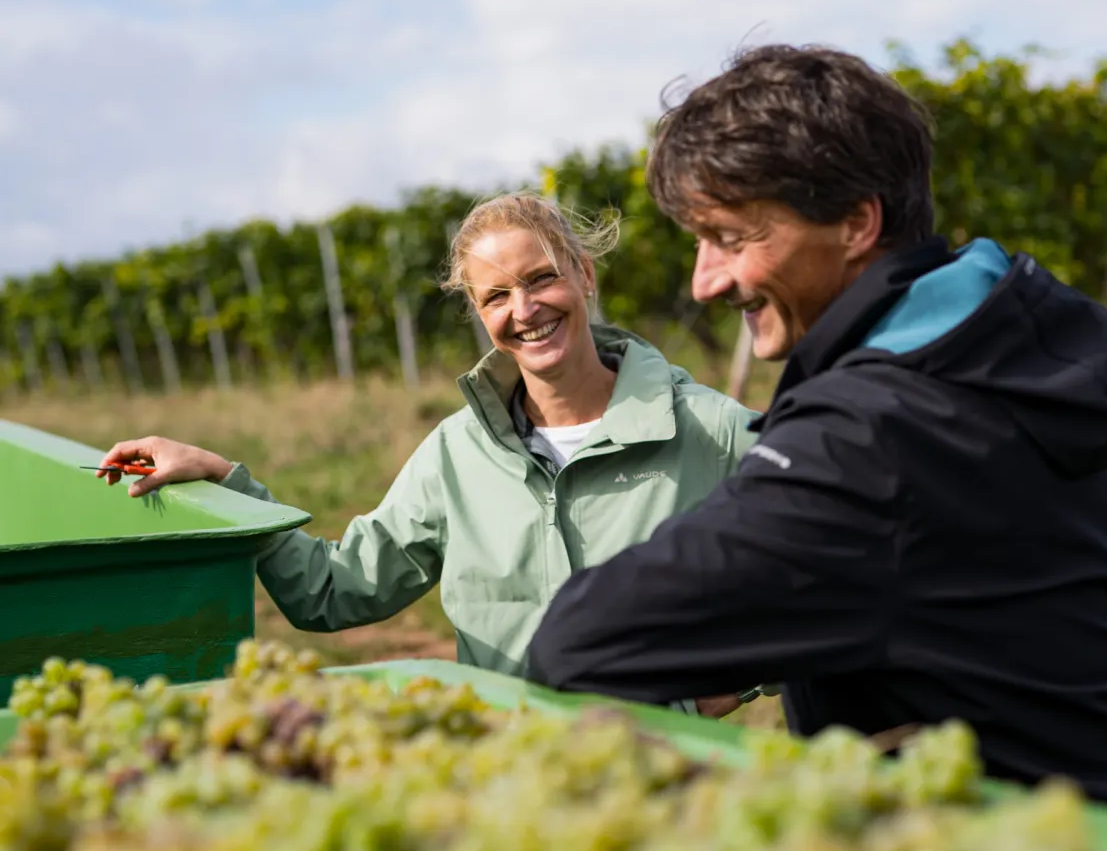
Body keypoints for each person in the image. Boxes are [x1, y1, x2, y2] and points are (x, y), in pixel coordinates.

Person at [527, 45, 1107, 808]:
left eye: (731, 238)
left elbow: (579, 641)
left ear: (855, 223)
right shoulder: (1033, 337)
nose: (704, 280)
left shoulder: (865, 436)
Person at [97, 194, 758, 683]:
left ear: (584, 275)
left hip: (670, 773)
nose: (523, 311)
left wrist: (736, 682)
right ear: (477, 312)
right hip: (512, 772)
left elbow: (828, 565)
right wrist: (223, 480)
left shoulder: (709, 429)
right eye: (495, 295)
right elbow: (335, 590)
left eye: (540, 279)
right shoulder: (458, 452)